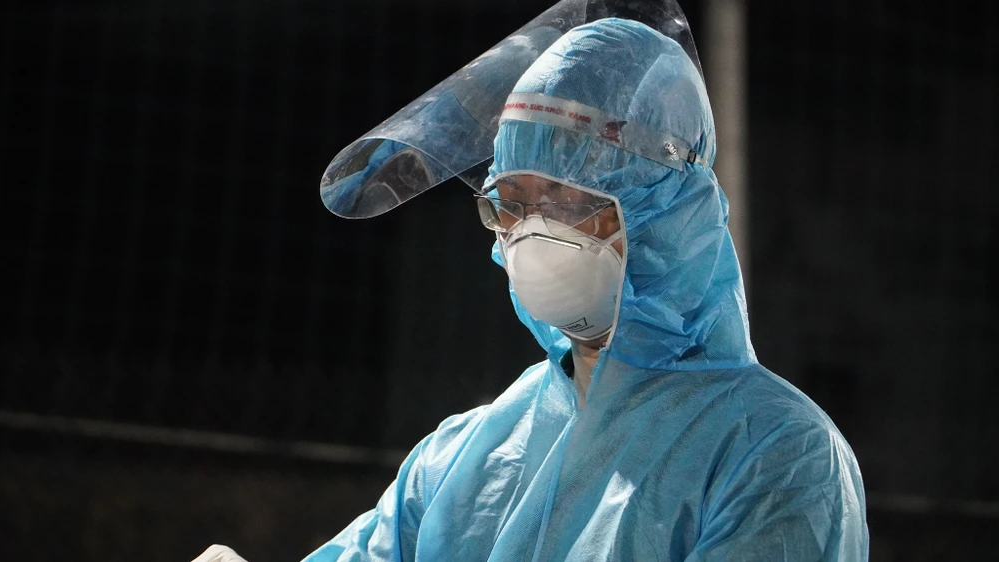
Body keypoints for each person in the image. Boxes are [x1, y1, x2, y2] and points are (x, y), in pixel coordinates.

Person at [195, 15, 868, 562]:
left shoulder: (773, 453)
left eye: (565, 197)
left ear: (665, 211)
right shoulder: (462, 457)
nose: (530, 231)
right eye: (512, 202)